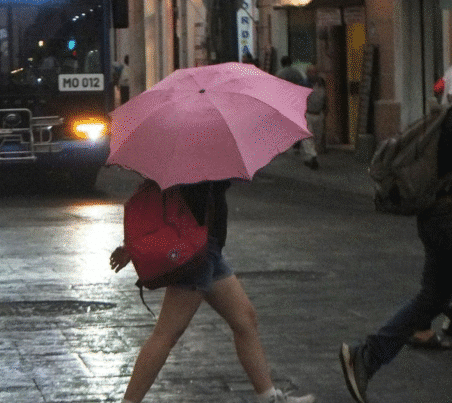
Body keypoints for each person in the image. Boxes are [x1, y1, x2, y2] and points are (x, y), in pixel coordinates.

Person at [111, 180, 315, 403]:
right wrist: (133, 245)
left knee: (245, 319)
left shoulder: (191, 154)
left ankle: (269, 397)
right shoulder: (199, 157)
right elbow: (166, 198)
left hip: (209, 248)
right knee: (166, 333)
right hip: (195, 249)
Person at [339, 106, 452, 403]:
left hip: (435, 218)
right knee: (433, 299)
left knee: (431, 299)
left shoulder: (445, 118)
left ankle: (366, 358)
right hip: (447, 221)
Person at [302, 75, 326, 170]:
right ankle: (312, 155)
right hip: (314, 114)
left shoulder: (315, 90)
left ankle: (312, 156)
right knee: (312, 136)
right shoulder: (322, 91)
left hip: (313, 114)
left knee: (311, 137)